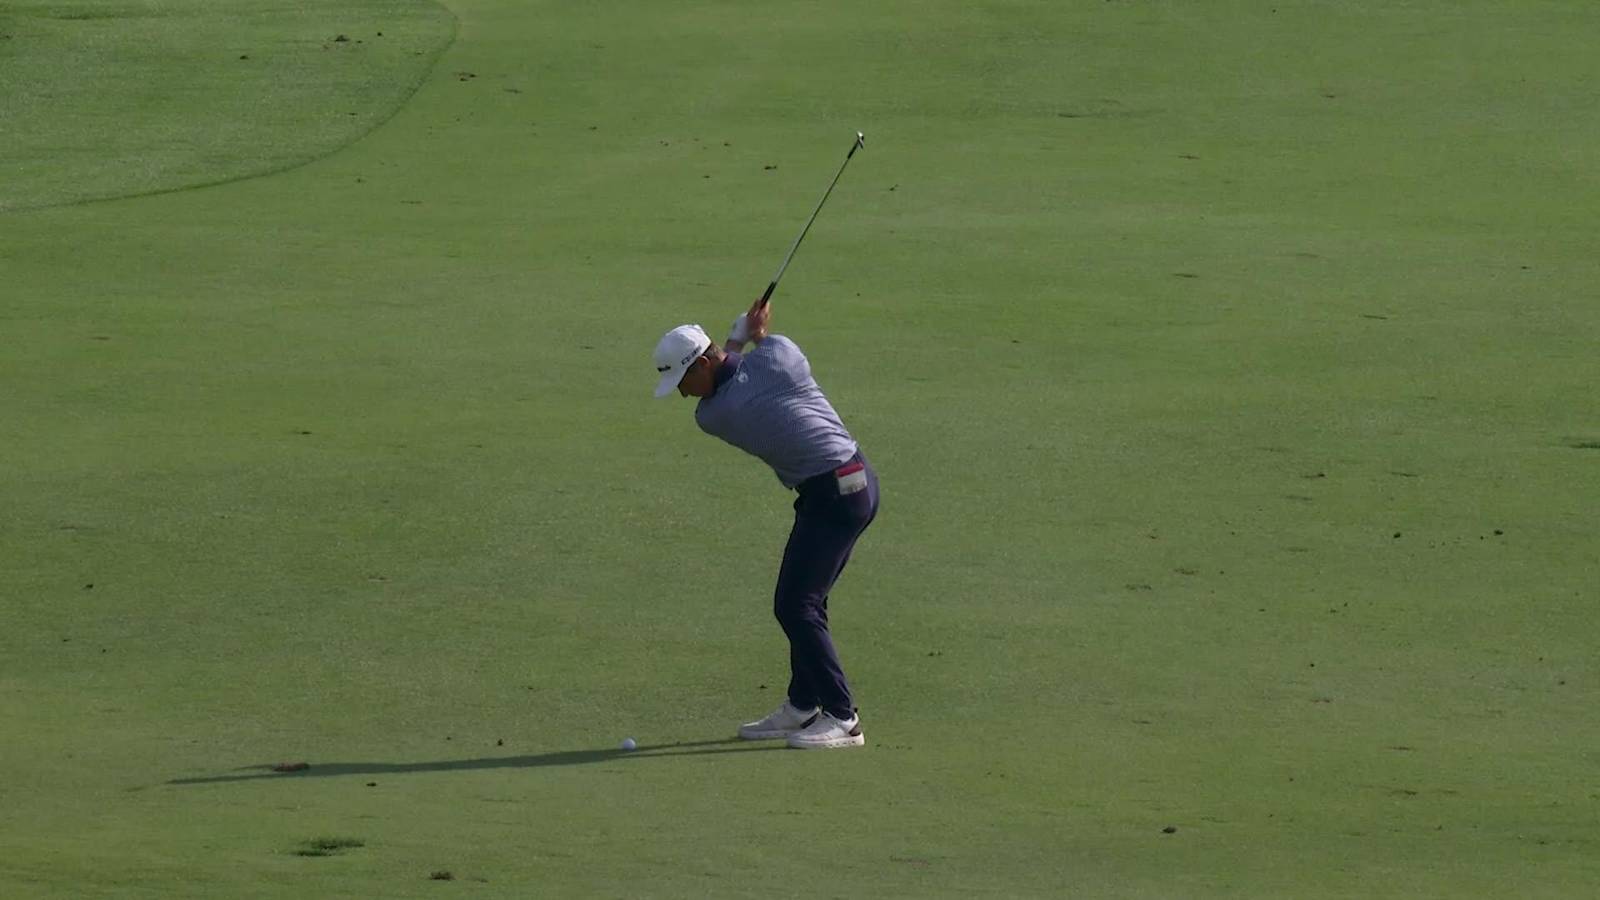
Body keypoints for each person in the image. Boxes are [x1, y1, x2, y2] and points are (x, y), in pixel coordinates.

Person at [651, 299, 880, 750]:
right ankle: (802, 704)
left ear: (701, 364)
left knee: (795, 605)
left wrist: (739, 334)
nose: (682, 394)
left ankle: (842, 716)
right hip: (849, 482)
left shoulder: (716, 414)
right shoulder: (783, 356)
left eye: (683, 381)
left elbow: (731, 376)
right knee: (805, 601)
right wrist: (754, 333)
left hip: (837, 492)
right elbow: (751, 359)